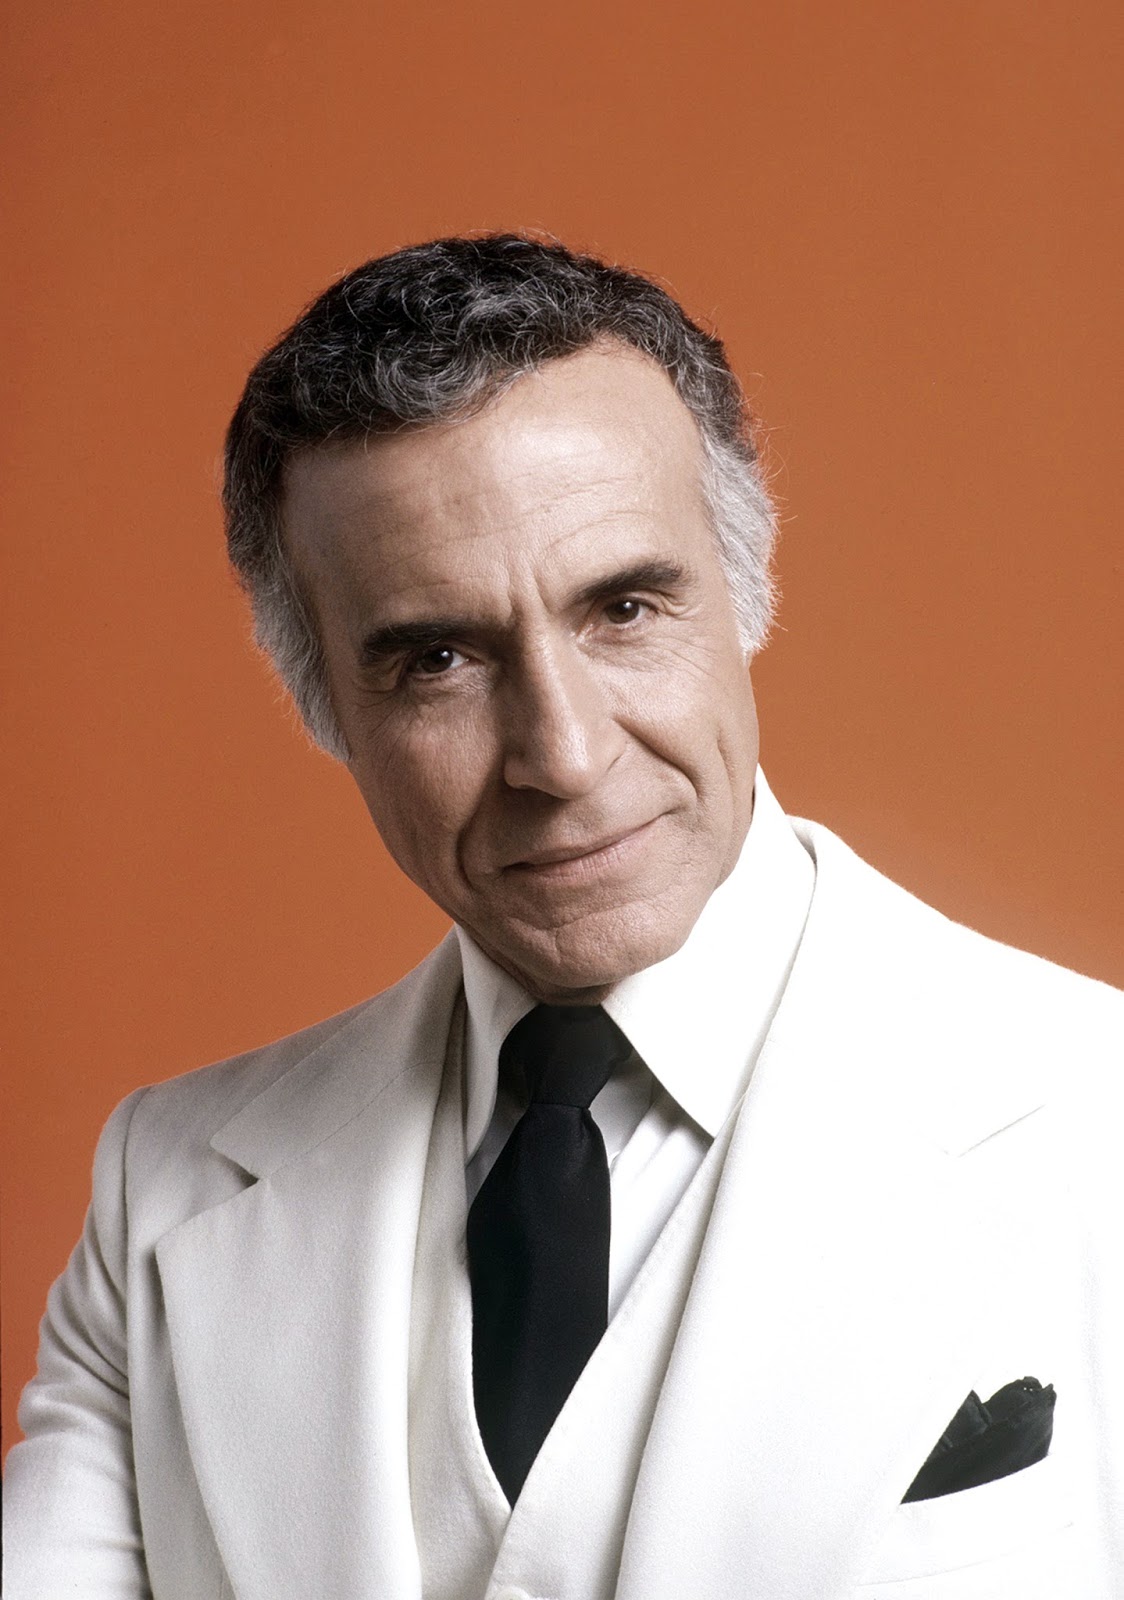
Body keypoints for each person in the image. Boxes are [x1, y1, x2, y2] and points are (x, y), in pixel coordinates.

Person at [5, 235, 1122, 1600]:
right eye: (438, 659)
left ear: (746, 595)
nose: (566, 755)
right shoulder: (165, 1187)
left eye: (625, 609)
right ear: (324, 708)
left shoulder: (1098, 1120)